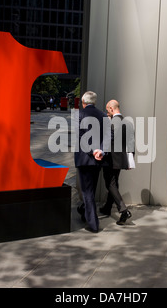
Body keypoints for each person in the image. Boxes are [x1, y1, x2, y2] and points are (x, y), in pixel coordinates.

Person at [74, 91, 108, 233]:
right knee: (90, 190)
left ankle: (93, 224)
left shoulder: (79, 115)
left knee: (87, 192)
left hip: (84, 159)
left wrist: (92, 151)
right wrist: (100, 151)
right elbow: (108, 137)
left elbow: (81, 137)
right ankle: (84, 211)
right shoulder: (104, 116)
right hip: (98, 160)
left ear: (83, 102)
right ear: (94, 102)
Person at [99, 100, 133, 225]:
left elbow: (107, 141)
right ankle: (107, 207)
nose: (107, 112)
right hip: (121, 159)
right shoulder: (127, 122)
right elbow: (131, 142)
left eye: (108, 110)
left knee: (110, 184)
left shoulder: (111, 123)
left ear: (112, 109)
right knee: (114, 183)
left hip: (110, 159)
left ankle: (123, 210)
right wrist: (130, 160)